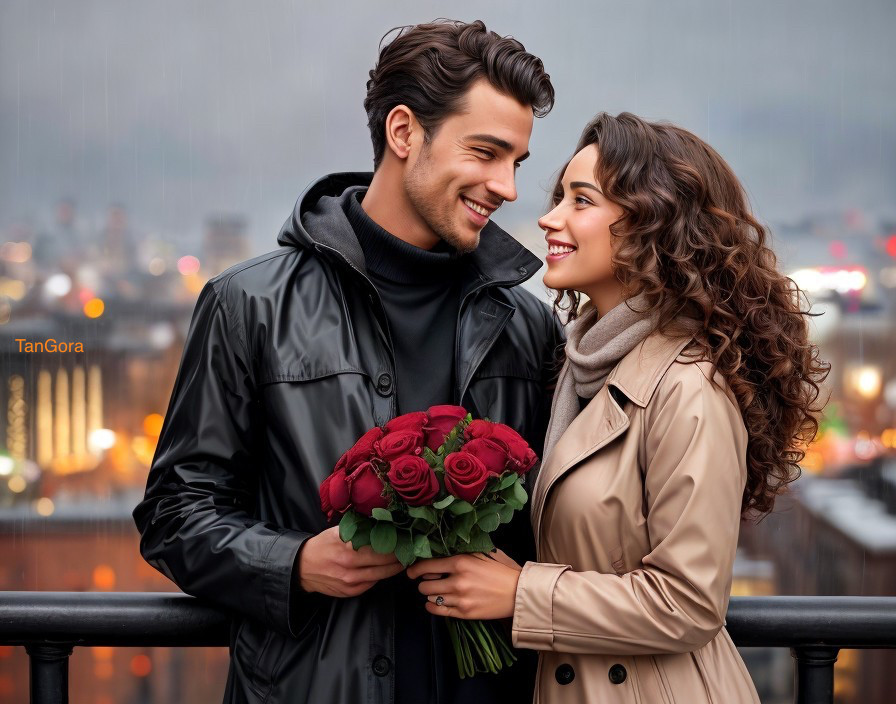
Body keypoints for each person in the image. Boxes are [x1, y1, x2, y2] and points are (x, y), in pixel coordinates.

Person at [133, 19, 561, 704]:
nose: (507, 187)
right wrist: (296, 563)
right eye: (486, 153)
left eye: (517, 162)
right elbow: (175, 513)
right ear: (403, 133)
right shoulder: (249, 305)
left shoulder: (528, 325)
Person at [407, 112, 829, 703]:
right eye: (559, 197)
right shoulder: (581, 366)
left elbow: (690, 604)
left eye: (581, 200)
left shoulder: (688, 387)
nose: (549, 218)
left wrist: (520, 592)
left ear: (653, 223)